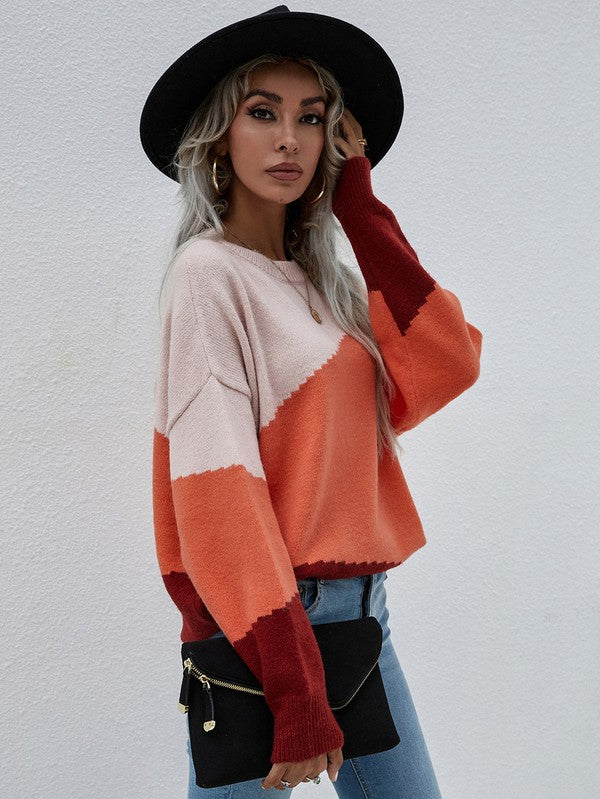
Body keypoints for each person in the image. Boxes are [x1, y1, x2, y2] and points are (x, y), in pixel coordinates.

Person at [141, 6, 483, 797]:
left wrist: (359, 208)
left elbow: (448, 364)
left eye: (312, 117)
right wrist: (292, 684)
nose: (289, 138)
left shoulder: (324, 287)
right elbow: (218, 493)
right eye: (262, 113)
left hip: (362, 623)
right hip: (264, 626)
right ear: (221, 134)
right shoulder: (208, 276)